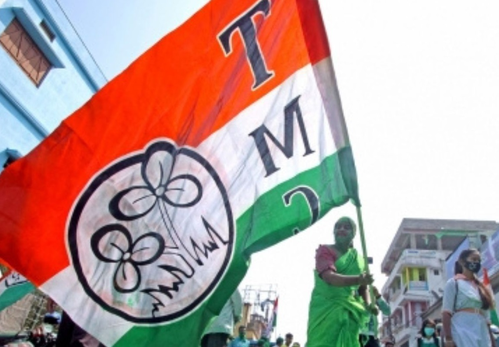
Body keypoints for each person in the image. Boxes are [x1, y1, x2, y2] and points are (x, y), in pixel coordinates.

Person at [306, 216, 374, 347]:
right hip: (325, 308)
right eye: (338, 227)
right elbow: (330, 277)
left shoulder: (359, 259)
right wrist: (358, 279)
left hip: (349, 310)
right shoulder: (324, 251)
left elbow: (363, 288)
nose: (341, 229)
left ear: (354, 233)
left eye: (346, 227)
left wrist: (368, 304)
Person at [441, 248, 497, 347]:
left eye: (479, 261)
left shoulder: (482, 288)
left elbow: (487, 319)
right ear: (462, 261)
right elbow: (446, 312)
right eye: (473, 259)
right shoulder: (454, 283)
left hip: (481, 331)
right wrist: (448, 339)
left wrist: (493, 343)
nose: (476, 263)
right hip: (462, 329)